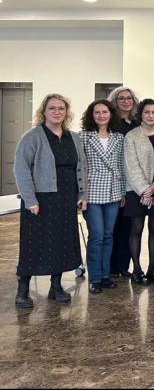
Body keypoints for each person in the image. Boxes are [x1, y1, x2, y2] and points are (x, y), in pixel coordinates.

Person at [13, 94, 87, 308]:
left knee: (62, 241)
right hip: (41, 199)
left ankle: (56, 286)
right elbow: (21, 169)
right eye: (52, 108)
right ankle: (22, 290)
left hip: (66, 198)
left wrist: (82, 195)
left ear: (66, 112)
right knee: (33, 244)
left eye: (61, 108)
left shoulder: (73, 137)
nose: (57, 112)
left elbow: (82, 167)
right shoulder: (32, 136)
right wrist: (30, 199)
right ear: (43, 112)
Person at [80, 99, 126, 294]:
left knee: (108, 235)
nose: (101, 115)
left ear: (110, 114)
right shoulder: (83, 137)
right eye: (97, 112)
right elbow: (80, 167)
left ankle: (105, 276)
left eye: (104, 112)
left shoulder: (118, 138)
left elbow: (122, 165)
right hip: (92, 192)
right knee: (97, 235)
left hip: (113, 191)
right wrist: (81, 194)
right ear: (91, 115)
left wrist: (122, 191)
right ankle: (95, 278)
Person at [123, 99, 154, 285]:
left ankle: (151, 269)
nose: (151, 116)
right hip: (135, 190)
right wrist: (144, 190)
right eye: (147, 112)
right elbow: (131, 166)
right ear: (140, 114)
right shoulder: (131, 136)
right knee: (136, 229)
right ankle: (137, 269)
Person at [107, 86, 139, 278]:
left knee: (127, 225)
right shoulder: (110, 123)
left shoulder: (136, 123)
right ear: (115, 101)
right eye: (122, 98)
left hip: (132, 181)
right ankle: (110, 266)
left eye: (129, 98)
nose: (126, 101)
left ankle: (122, 265)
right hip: (113, 179)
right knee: (112, 225)